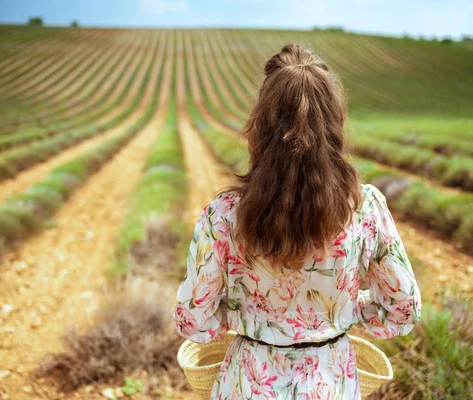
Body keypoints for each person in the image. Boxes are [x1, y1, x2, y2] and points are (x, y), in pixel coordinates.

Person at [173, 43, 421, 399]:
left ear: (261, 126)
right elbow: (403, 310)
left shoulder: (223, 215)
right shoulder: (364, 207)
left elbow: (192, 319)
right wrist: (347, 308)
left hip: (249, 383)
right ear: (333, 124)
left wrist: (244, 312)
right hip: (331, 382)